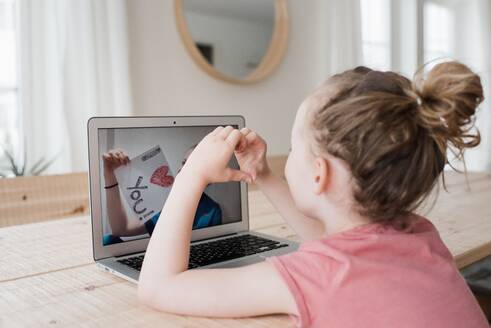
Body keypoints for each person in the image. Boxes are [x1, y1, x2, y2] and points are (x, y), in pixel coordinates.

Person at [137, 61, 488, 327]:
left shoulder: (314, 276)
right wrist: (264, 174)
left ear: (319, 174)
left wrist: (192, 173)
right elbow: (332, 240)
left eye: (293, 147)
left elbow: (157, 287)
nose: (288, 155)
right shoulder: (419, 234)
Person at [102, 145, 222, 245]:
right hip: (157, 261)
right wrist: (109, 175)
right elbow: (120, 229)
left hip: (186, 264)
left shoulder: (212, 211)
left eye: (193, 164)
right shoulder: (161, 199)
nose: (183, 169)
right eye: (184, 162)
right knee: (107, 240)